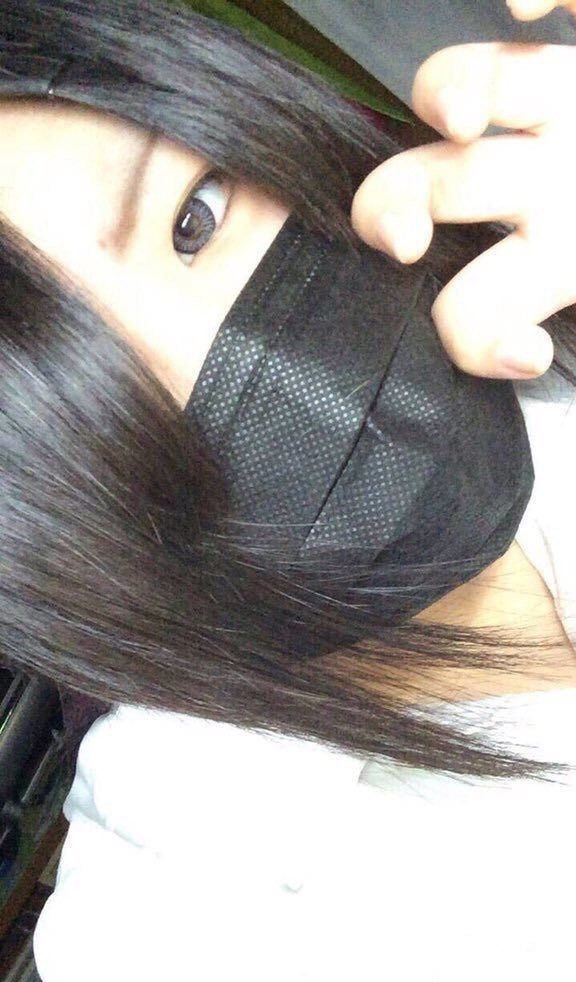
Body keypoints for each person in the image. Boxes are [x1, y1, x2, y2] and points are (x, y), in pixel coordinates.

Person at [0, 0, 571, 976]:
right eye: (85, 444)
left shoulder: (532, 277)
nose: (277, 402)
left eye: (195, 220)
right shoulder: (173, 924)